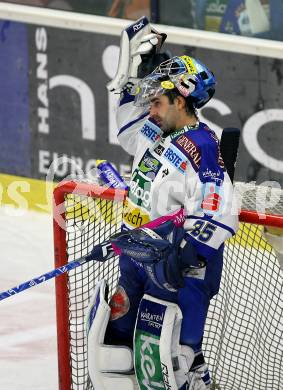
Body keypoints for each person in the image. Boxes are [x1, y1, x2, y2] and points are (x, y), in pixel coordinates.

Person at [87, 18, 239, 390]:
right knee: (118, 341)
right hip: (137, 255)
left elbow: (220, 208)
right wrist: (140, 72)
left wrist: (184, 255)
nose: (150, 109)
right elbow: (126, 126)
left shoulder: (203, 145)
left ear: (180, 100)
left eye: (157, 101)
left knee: (169, 358)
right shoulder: (154, 130)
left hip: (173, 266)